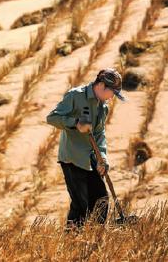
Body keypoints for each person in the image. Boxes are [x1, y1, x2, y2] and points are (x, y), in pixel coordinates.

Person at [46, 68, 126, 228]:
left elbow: (99, 133)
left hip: (92, 159)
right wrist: (76, 124)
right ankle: (72, 242)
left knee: (101, 201)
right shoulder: (75, 95)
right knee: (81, 205)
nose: (112, 98)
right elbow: (52, 118)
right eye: (112, 93)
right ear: (102, 86)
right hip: (72, 158)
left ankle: (97, 238)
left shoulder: (103, 107)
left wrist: (102, 158)